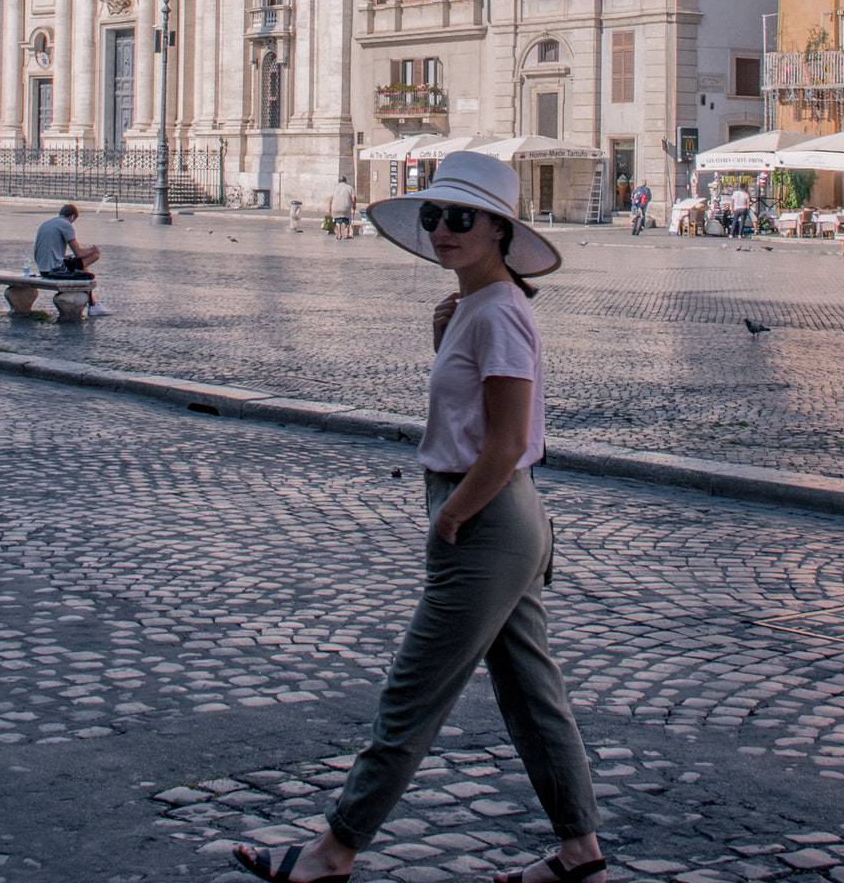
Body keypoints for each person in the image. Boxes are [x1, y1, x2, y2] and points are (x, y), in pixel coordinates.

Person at [234, 153, 604, 883]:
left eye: (461, 218)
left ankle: (333, 850)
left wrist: (450, 520)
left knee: (413, 693)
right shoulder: (476, 309)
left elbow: (504, 443)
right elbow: (476, 415)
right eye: (434, 216)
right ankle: (579, 852)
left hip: (486, 519)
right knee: (531, 695)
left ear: (500, 229)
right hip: (497, 517)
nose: (442, 230)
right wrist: (447, 340)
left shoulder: (498, 313)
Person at [34, 203, 103, 311]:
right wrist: (93, 249)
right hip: (56, 270)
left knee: (80, 267)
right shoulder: (66, 224)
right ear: (72, 217)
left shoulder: (47, 223)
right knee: (92, 264)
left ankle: (93, 304)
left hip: (43, 268)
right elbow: (79, 253)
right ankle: (93, 306)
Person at [329, 176, 357, 240]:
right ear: (345, 181)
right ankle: (347, 234)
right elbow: (354, 198)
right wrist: (354, 205)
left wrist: (330, 208)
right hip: (345, 207)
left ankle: (339, 234)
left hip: (335, 206)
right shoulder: (350, 187)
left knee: (338, 220)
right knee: (347, 219)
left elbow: (331, 199)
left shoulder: (335, 188)